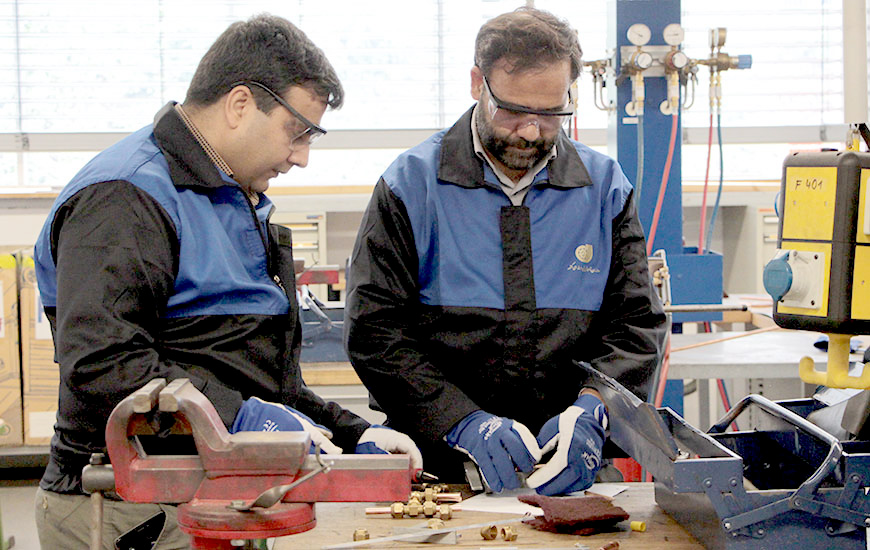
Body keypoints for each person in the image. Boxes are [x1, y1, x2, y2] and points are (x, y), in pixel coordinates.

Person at [32, 14, 421, 549]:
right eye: (298, 131)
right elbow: (103, 363)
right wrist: (242, 419)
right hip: (130, 513)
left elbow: (263, 386)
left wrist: (354, 435)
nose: (303, 157)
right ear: (240, 105)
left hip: (217, 502)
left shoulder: (239, 201)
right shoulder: (125, 197)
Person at [344, 7, 667, 496]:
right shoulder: (411, 186)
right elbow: (376, 332)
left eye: (551, 113)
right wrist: (458, 421)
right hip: (442, 468)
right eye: (513, 111)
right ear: (478, 83)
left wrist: (594, 406)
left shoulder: (604, 189)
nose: (532, 131)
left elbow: (637, 323)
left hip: (573, 470)